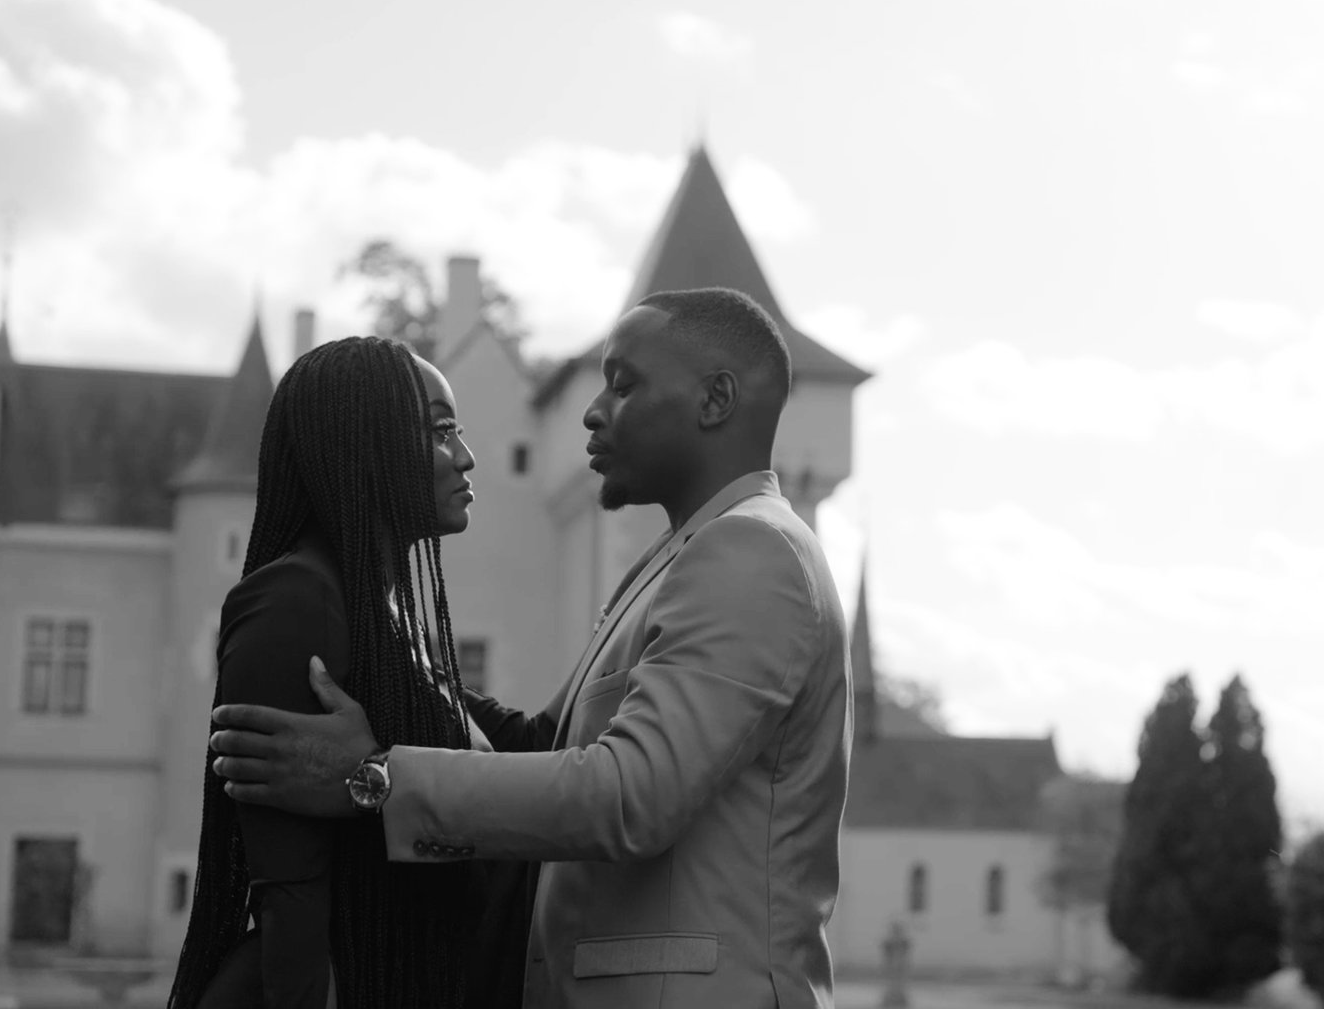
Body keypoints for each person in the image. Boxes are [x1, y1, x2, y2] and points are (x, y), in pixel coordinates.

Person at [208, 287, 852, 1009]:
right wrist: (391, 661)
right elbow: (544, 742)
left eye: (625, 383)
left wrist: (373, 779)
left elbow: (632, 794)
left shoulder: (750, 552)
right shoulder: (682, 559)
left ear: (715, 400)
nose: (591, 409)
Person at [167, 336, 535, 1009]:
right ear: (369, 447)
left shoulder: (387, 620)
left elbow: (536, 747)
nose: (466, 456)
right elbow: (291, 900)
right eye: (441, 432)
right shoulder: (296, 602)